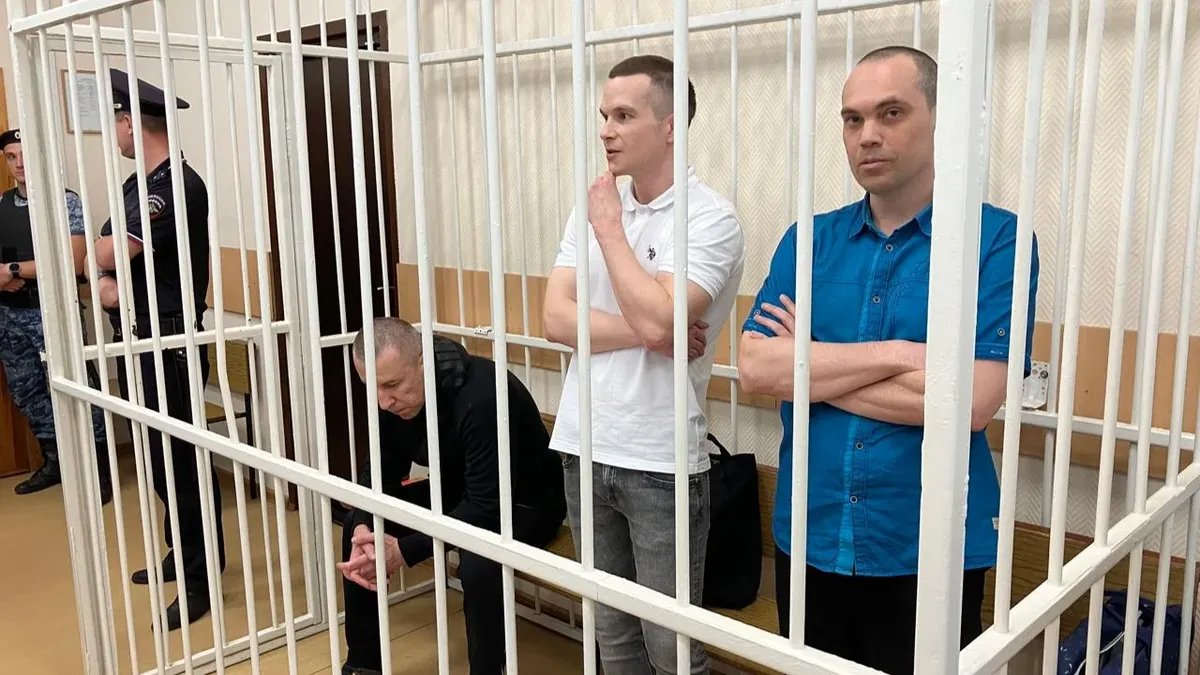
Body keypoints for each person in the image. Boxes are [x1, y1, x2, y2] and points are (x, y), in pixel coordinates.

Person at [737, 46, 1040, 674]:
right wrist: (901, 356)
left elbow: (973, 402)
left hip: (927, 543)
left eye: (891, 113)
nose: (867, 135)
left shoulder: (996, 241)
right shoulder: (809, 240)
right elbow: (758, 369)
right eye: (853, 119)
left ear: (941, 119)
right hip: (811, 531)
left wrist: (810, 368)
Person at [542, 54, 746, 674]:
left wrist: (610, 230)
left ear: (670, 126)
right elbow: (554, 320)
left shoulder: (709, 217)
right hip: (582, 443)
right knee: (612, 637)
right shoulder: (594, 204)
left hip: (660, 459)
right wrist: (652, 331)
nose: (605, 130)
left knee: (672, 649)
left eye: (624, 116)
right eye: (604, 115)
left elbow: (662, 321)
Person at [336, 318, 566, 675]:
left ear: (423, 361)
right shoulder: (390, 398)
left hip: (525, 502)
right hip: (460, 491)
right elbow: (378, 473)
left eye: (392, 385)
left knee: (477, 556)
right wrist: (366, 527)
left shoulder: (483, 395)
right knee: (358, 523)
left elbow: (486, 509)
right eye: (373, 388)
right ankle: (363, 666)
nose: (383, 401)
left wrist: (404, 551)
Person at [91, 68, 224, 630]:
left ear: (130, 122)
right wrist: (106, 280)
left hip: (169, 341)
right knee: (159, 458)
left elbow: (105, 253)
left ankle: (199, 581)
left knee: (182, 462)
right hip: (141, 336)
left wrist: (105, 272)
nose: (114, 134)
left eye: (116, 123)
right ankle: (183, 552)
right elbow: (100, 256)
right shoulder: (137, 186)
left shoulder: (175, 188)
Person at [0, 127, 110, 501]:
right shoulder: (1, 204)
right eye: (11, 157)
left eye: (25, 155)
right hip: (10, 317)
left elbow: (72, 262)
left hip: (53, 313)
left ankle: (99, 468)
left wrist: (13, 270)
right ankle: (56, 462)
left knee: (79, 390)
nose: (19, 164)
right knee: (27, 391)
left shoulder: (65, 202)